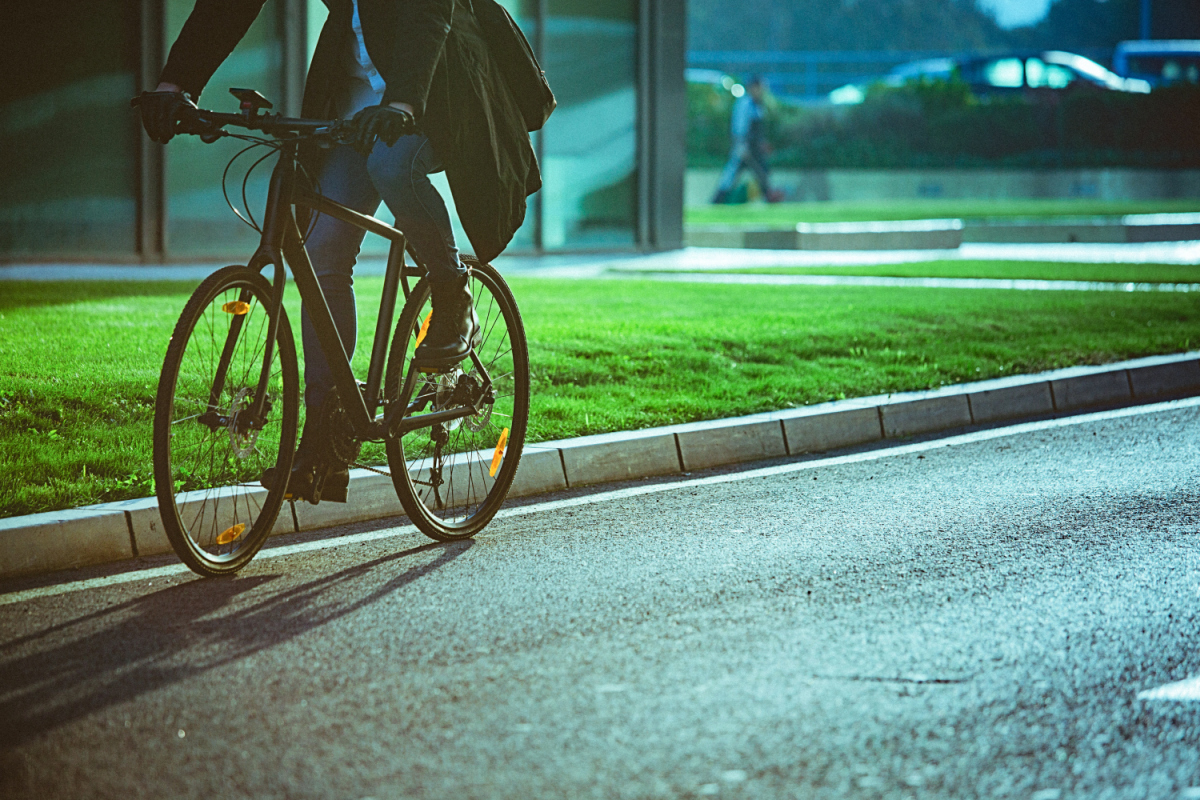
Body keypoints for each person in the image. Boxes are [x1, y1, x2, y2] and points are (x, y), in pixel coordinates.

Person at [137, 0, 541, 503]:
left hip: (436, 87)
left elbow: (425, 12)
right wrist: (176, 86)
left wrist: (404, 102)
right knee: (323, 252)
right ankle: (326, 445)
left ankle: (452, 294)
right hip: (354, 101)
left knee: (394, 167)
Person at [711, 75, 783, 204]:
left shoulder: (758, 105)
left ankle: (770, 198)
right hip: (744, 148)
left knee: (762, 174)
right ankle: (717, 202)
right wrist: (741, 146)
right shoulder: (744, 104)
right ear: (753, 88)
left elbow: (758, 130)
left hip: (755, 149)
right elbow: (739, 127)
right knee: (731, 176)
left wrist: (762, 143)